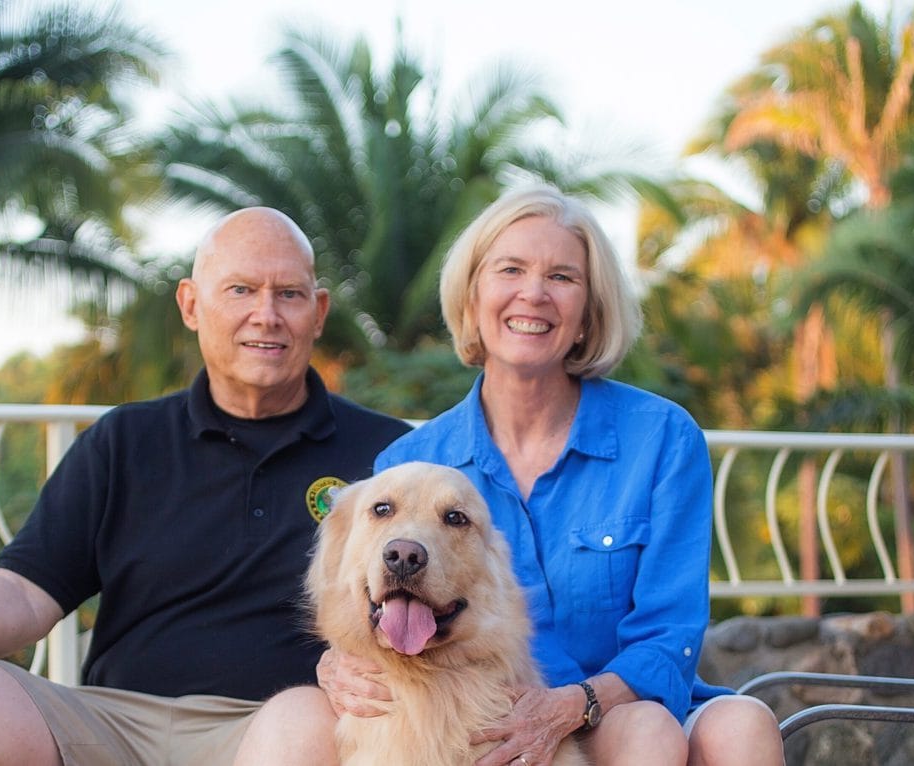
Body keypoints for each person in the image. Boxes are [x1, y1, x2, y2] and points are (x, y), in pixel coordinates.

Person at [0, 207, 411, 766]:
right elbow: (25, 590)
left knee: (308, 721)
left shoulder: (386, 457)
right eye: (241, 289)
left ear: (317, 313)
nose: (265, 315)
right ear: (191, 305)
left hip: (276, 727)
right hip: (109, 722)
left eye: (288, 294)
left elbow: (440, 596)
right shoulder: (123, 439)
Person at [318, 185, 786, 765]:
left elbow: (669, 636)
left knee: (735, 724)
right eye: (510, 269)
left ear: (590, 315)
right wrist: (336, 660)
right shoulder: (410, 464)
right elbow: (363, 601)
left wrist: (573, 704)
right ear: (473, 296)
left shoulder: (662, 438)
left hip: (625, 702)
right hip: (479, 715)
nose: (533, 294)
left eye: (562, 278)